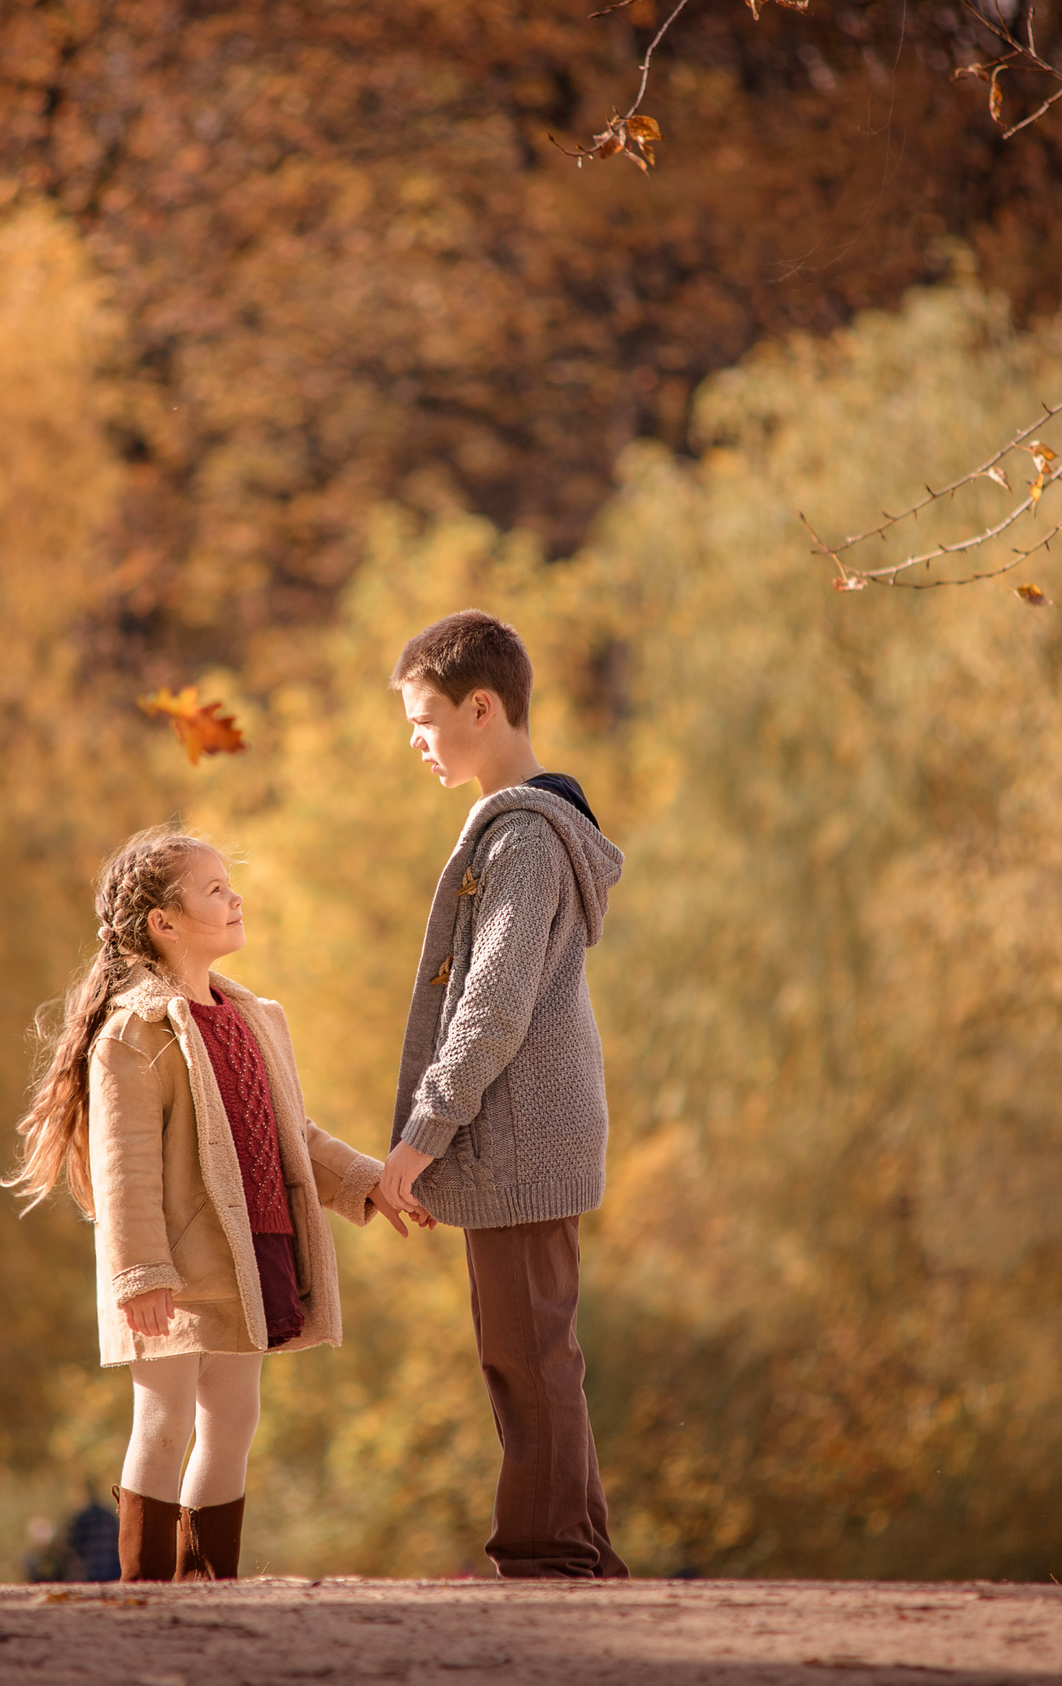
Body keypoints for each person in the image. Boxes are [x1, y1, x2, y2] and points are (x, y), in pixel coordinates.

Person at [5, 827, 419, 1581]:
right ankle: (145, 1592)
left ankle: (207, 1589)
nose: (236, 899)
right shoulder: (135, 1031)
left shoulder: (254, 1015)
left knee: (231, 1422)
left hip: (249, 1248)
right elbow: (125, 1165)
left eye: (231, 886)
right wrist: (140, 1273)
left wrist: (368, 1182)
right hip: (169, 1264)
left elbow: (293, 1135)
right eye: (216, 890)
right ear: (164, 923)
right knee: (162, 1423)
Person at [376, 610, 631, 1579]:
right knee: (535, 1359)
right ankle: (579, 1558)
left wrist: (421, 1140)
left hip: (518, 1140)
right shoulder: (523, 832)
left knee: (527, 1364)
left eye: (426, 718)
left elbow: (490, 1011)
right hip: (525, 1139)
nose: (417, 741)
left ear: (482, 707)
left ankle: (549, 1562)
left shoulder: (522, 840)